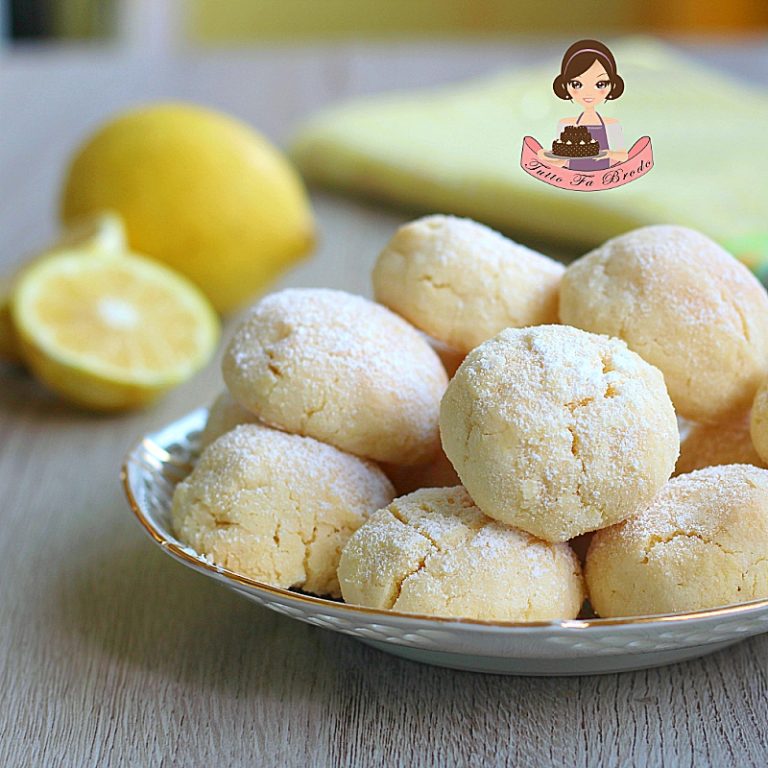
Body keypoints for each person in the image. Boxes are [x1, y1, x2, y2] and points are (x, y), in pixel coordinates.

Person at [538, 40, 629, 170]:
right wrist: (545, 157)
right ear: (565, 85)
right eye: (576, 84)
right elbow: (562, 162)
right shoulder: (566, 125)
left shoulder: (611, 124)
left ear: (613, 85)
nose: (588, 92)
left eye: (600, 84)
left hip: (604, 178)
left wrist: (609, 154)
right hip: (573, 180)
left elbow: (624, 156)